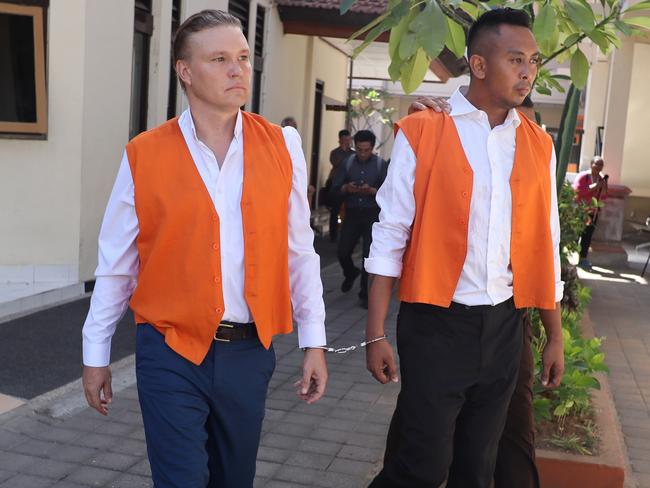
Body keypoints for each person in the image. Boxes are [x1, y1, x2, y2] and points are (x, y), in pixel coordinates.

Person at [81, 10, 328, 488]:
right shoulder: (144, 154)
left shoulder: (283, 146)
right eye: (219, 59)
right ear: (185, 71)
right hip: (170, 350)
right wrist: (96, 353)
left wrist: (313, 341)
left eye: (242, 57)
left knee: (234, 479)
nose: (238, 70)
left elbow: (300, 251)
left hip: (249, 351)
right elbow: (116, 264)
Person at [364, 8, 565, 488]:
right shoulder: (424, 130)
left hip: (503, 326)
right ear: (478, 65)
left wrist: (553, 333)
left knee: (477, 469)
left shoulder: (539, 144)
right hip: (436, 325)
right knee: (422, 467)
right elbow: (390, 236)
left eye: (533, 61)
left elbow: (547, 241)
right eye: (515, 59)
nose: (527, 72)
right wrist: (375, 333)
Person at [409, 91, 543, 488]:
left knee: (509, 441)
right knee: (422, 452)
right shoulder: (445, 136)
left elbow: (543, 248)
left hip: (508, 320)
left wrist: (551, 335)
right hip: (445, 319)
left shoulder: (535, 151)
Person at [331, 129, 387, 308]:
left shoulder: (380, 165)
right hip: (352, 213)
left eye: (366, 150)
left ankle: (365, 294)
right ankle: (350, 272)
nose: (363, 154)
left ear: (372, 148)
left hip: (372, 214)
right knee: (343, 251)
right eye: (360, 150)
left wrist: (374, 191)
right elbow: (335, 188)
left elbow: (389, 192)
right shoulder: (348, 163)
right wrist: (347, 188)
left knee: (367, 256)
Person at [573, 156, 608, 269]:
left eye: (601, 165)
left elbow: (604, 195)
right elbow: (579, 190)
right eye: (597, 164)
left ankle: (583, 259)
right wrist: (595, 187)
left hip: (593, 213)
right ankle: (565, 258)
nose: (599, 167)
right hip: (581, 211)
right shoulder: (584, 176)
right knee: (575, 234)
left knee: (587, 236)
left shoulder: (601, 179)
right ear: (591, 164)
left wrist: (603, 187)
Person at [325, 129, 355, 241]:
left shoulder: (353, 153)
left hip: (349, 183)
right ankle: (333, 234)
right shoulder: (335, 153)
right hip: (336, 184)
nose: (348, 142)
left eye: (349, 139)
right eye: (345, 139)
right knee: (335, 210)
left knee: (349, 210)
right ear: (340, 140)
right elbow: (337, 164)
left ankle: (347, 234)